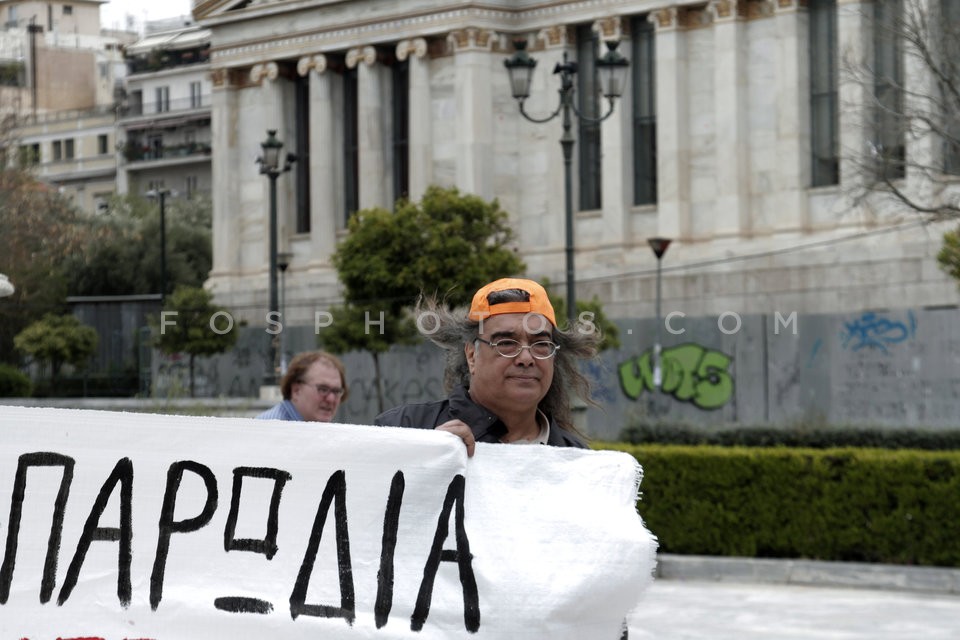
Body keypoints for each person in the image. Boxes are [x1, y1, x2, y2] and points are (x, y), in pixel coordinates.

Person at [375, 277, 600, 456]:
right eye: (506, 343)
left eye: (541, 344)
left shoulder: (575, 458)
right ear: (471, 355)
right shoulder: (405, 430)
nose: (526, 358)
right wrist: (425, 461)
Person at [255, 350, 349, 422]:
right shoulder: (273, 429)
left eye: (336, 391)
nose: (331, 399)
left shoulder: (308, 430)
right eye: (323, 389)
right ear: (296, 391)